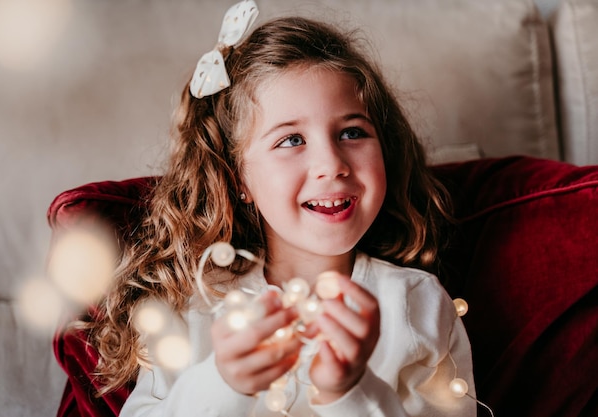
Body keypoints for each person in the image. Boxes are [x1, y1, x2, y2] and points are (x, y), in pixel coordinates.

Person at [69, 1, 477, 416]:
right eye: (291, 140)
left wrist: (351, 392)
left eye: (352, 132)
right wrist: (223, 383)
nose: (332, 165)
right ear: (239, 179)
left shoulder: (417, 304)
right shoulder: (194, 307)